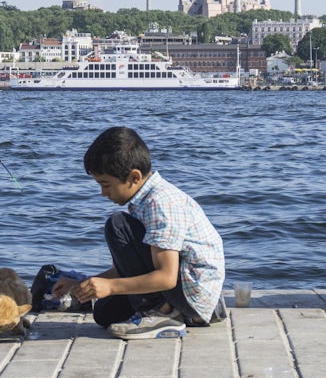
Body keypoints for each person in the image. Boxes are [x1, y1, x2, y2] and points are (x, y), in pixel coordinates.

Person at [54, 126, 226, 339]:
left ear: (134, 176)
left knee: (117, 224)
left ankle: (162, 313)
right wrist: (84, 285)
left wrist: (111, 286)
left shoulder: (159, 204)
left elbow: (166, 277)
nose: (103, 193)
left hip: (191, 293)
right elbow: (130, 268)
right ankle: (174, 309)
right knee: (104, 314)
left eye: (106, 184)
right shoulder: (143, 201)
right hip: (187, 290)